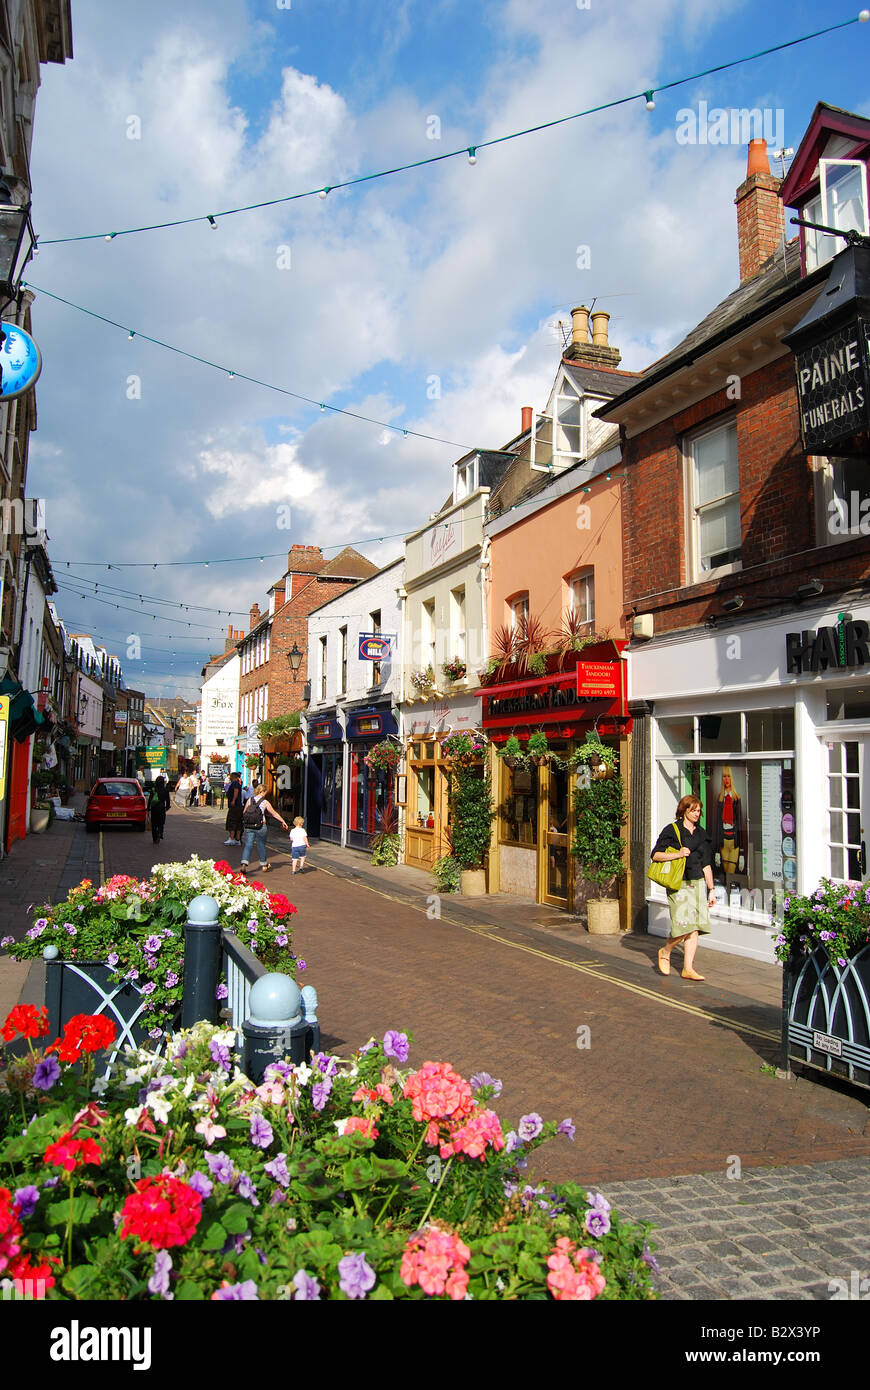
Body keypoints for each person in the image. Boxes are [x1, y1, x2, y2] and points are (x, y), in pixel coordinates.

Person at [650, 794, 715, 981]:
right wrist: (678, 854)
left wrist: (711, 889)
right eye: (693, 810)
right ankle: (665, 950)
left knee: (695, 928)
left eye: (699, 810)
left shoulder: (702, 834)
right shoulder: (672, 830)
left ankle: (687, 968)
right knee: (683, 926)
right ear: (684, 810)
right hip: (678, 884)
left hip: (698, 883)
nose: (697, 814)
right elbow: (656, 855)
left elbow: (706, 864)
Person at [240, 783, 288, 875]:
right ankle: (264, 865)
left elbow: (244, 812)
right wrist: (283, 821)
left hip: (249, 826)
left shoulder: (250, 800)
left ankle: (244, 864)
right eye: (266, 791)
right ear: (263, 791)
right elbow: (274, 813)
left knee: (248, 845)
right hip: (261, 826)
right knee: (261, 845)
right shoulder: (265, 802)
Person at [148, 775, 170, 845]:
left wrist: (148, 808)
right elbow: (168, 800)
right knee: (161, 823)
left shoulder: (153, 789)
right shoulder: (165, 790)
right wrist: (167, 807)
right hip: (161, 808)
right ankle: (160, 833)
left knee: (154, 824)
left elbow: (150, 799)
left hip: (154, 808)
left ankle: (154, 838)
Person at [224, 771, 244, 846]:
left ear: (234, 777)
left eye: (231, 776)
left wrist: (233, 800)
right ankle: (237, 839)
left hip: (235, 806)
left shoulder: (235, 783)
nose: (230, 778)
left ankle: (231, 838)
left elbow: (236, 791)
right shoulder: (238, 783)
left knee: (232, 821)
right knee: (238, 822)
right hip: (239, 806)